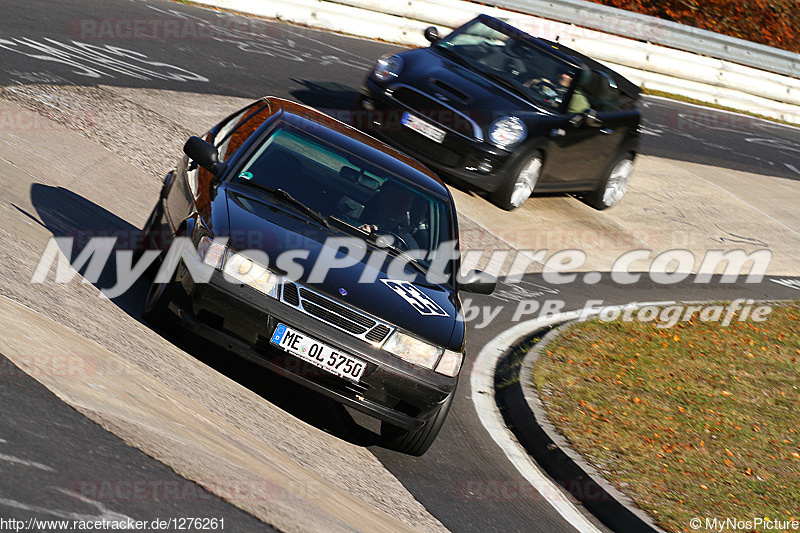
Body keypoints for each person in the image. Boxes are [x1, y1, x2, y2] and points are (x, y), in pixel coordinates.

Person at [358, 182, 420, 250]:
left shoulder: (407, 244)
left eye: (406, 203)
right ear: (381, 199)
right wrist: (357, 233)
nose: (400, 207)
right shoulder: (350, 222)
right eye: (395, 200)